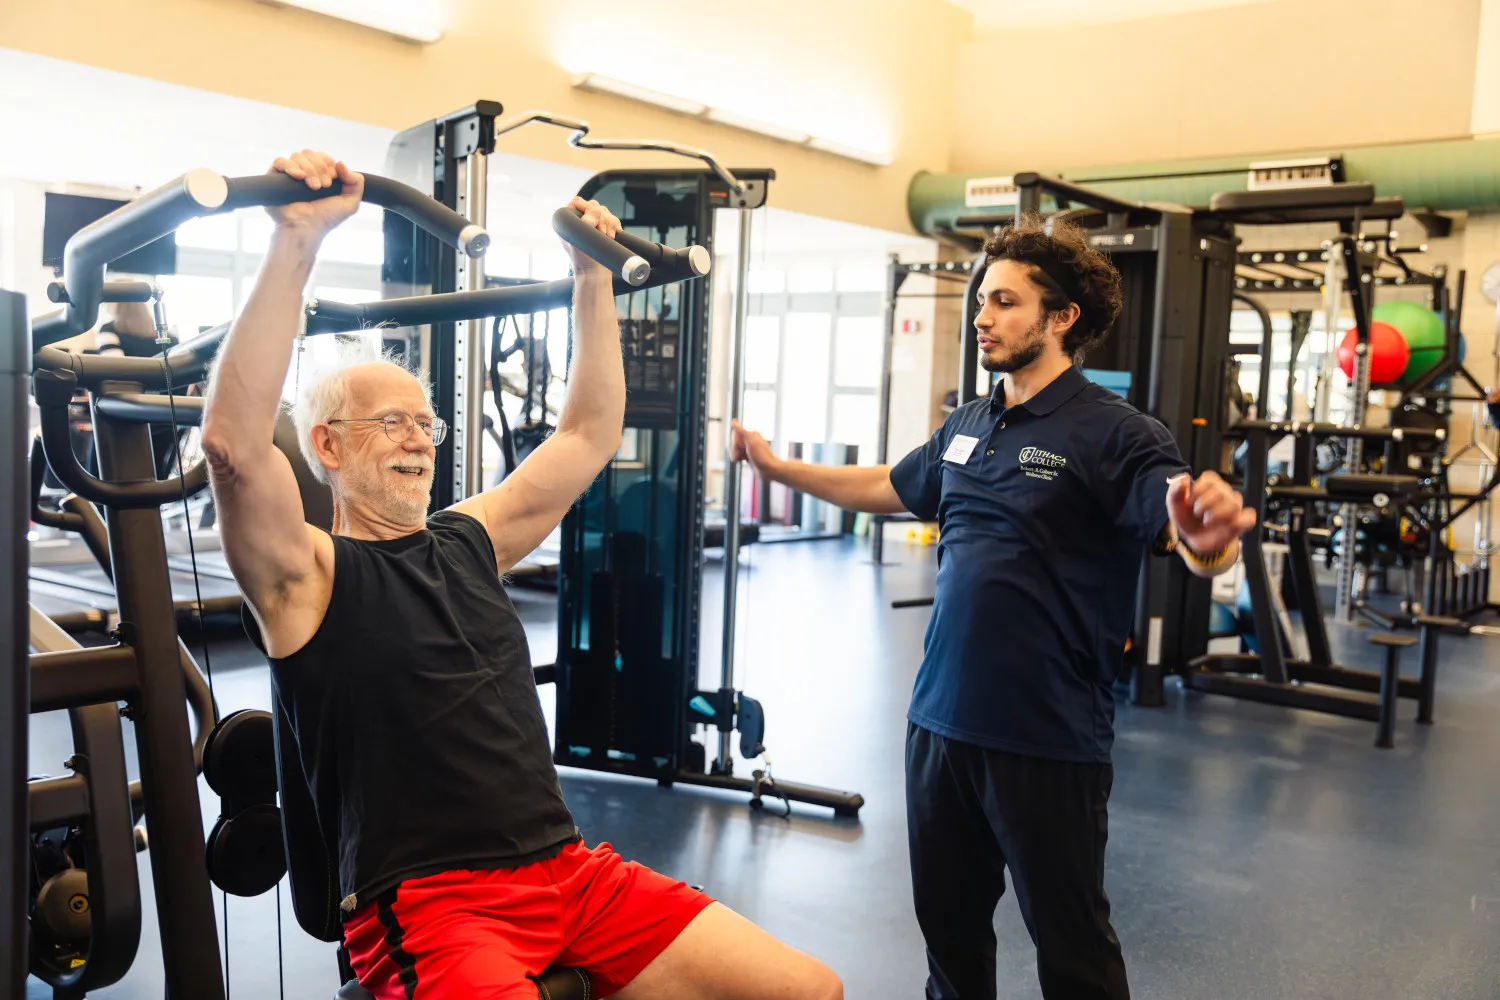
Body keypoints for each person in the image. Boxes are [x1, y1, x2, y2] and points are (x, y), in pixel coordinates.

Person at [201, 150, 842, 1000]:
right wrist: (297, 243)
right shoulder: (308, 577)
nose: (419, 439)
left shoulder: (470, 538)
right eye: (391, 423)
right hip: (434, 902)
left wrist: (591, 281)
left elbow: (585, 436)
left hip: (571, 873)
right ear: (327, 445)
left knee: (809, 990)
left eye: (425, 423)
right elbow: (235, 451)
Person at [730, 217, 1257, 1000]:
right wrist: (779, 467)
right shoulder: (971, 423)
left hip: (1046, 738)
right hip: (939, 725)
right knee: (950, 946)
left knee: (1073, 952)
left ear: (1061, 317)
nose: (982, 315)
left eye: (1005, 302)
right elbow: (890, 486)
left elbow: (1182, 525)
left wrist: (1208, 541)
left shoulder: (1118, 435)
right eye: (983, 299)